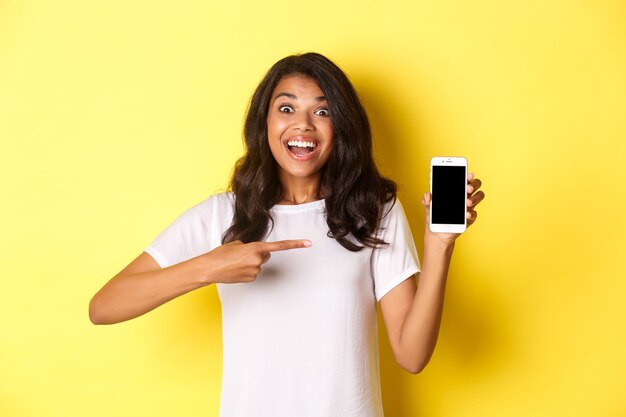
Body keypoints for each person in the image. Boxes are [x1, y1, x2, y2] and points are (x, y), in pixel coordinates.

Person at [89, 52, 484, 417]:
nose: (303, 125)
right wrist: (208, 266)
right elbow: (104, 306)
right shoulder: (222, 215)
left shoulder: (374, 211)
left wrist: (439, 244)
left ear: (341, 127)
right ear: (265, 121)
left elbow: (412, 356)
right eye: (287, 107)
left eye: (322, 111)